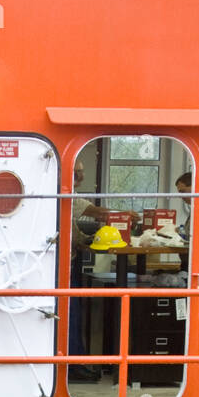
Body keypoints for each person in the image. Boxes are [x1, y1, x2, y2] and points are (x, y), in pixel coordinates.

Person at [68, 160, 138, 383]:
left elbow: (75, 228)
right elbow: (96, 213)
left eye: (81, 173)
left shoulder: (68, 195)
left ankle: (74, 361)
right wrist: (121, 215)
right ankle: (72, 364)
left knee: (74, 313)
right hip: (63, 266)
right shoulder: (65, 195)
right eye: (76, 173)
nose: (80, 178)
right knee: (71, 314)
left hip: (71, 260)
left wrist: (84, 240)